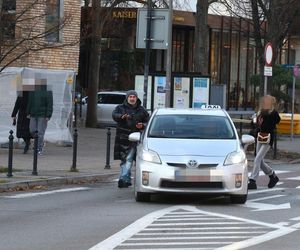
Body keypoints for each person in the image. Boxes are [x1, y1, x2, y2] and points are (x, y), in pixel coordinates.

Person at [112, 90, 149, 188]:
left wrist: (142, 125)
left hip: (135, 138)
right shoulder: (120, 108)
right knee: (126, 159)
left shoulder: (142, 110)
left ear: (136, 98)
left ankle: (123, 178)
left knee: (128, 158)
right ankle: (126, 179)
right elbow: (114, 115)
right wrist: (121, 116)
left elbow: (148, 122)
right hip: (123, 138)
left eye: (134, 97)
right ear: (127, 98)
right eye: (130, 97)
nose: (132, 99)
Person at [248, 95, 281, 189]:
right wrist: (254, 119)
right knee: (260, 161)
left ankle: (252, 180)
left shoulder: (273, 113)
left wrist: (268, 115)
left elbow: (277, 121)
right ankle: (272, 176)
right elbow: (254, 124)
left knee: (257, 158)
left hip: (268, 138)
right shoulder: (260, 112)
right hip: (259, 136)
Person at [27, 79, 53, 155]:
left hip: (43, 115)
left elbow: (50, 104)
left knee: (40, 132)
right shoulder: (33, 90)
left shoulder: (48, 90)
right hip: (33, 114)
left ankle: (39, 148)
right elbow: (30, 101)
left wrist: (48, 115)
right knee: (32, 130)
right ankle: (38, 144)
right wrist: (28, 112)